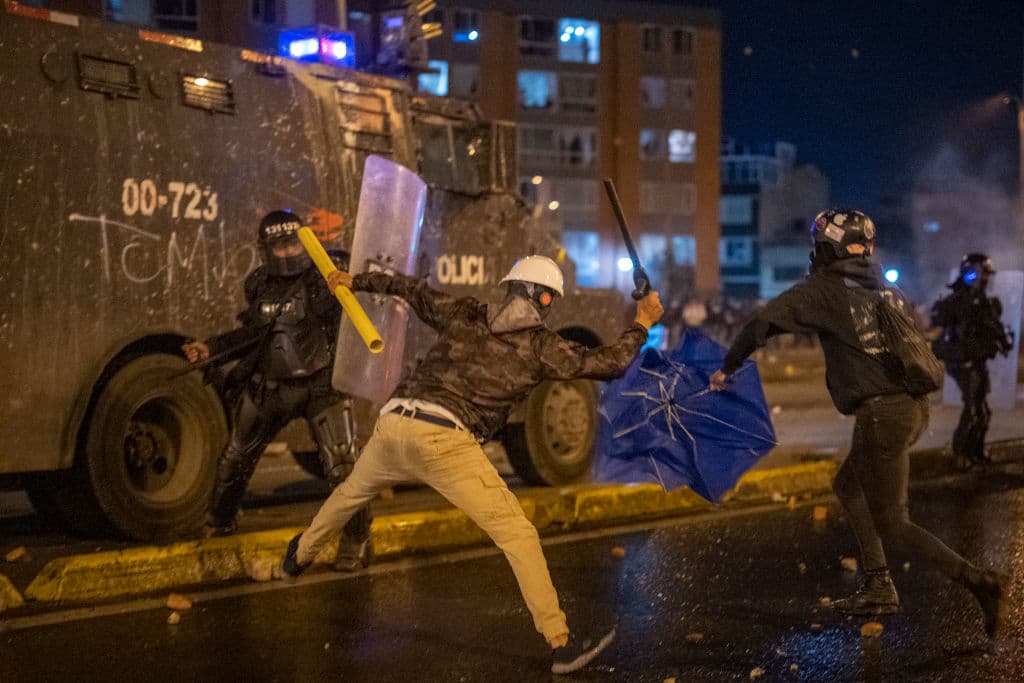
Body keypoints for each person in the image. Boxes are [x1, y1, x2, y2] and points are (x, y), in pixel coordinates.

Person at [281, 255, 664, 674]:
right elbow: (611, 363)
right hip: (445, 438)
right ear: (544, 297)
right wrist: (642, 322)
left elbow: (411, 289)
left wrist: (355, 280)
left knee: (350, 493)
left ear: (510, 286)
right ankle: (561, 643)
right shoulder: (542, 347)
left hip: (394, 422)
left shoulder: (465, 313)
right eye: (550, 298)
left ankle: (298, 556)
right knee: (518, 535)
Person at [709, 209, 1006, 637]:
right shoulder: (886, 287)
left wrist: (729, 366)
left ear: (824, 247)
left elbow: (762, 322)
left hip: (882, 415)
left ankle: (980, 583)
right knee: (848, 485)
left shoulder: (824, 289)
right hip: (911, 407)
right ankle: (879, 583)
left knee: (894, 522)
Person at [182, 209, 372, 571]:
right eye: (279, 246)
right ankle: (219, 523)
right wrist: (210, 348)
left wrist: (350, 282)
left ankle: (357, 538)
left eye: (293, 244)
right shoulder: (259, 285)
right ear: (266, 249)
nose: (287, 253)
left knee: (344, 469)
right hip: (269, 388)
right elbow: (253, 335)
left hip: (321, 386)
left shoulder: (324, 278)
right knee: (235, 460)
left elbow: (356, 304)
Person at [930, 253, 1014, 471]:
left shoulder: (983, 301)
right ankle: (961, 454)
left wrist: (1004, 338)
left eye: (986, 274)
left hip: (977, 361)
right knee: (973, 409)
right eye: (979, 273)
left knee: (982, 410)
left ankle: (975, 452)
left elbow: (994, 327)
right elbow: (939, 325)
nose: (983, 278)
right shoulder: (958, 301)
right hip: (963, 362)